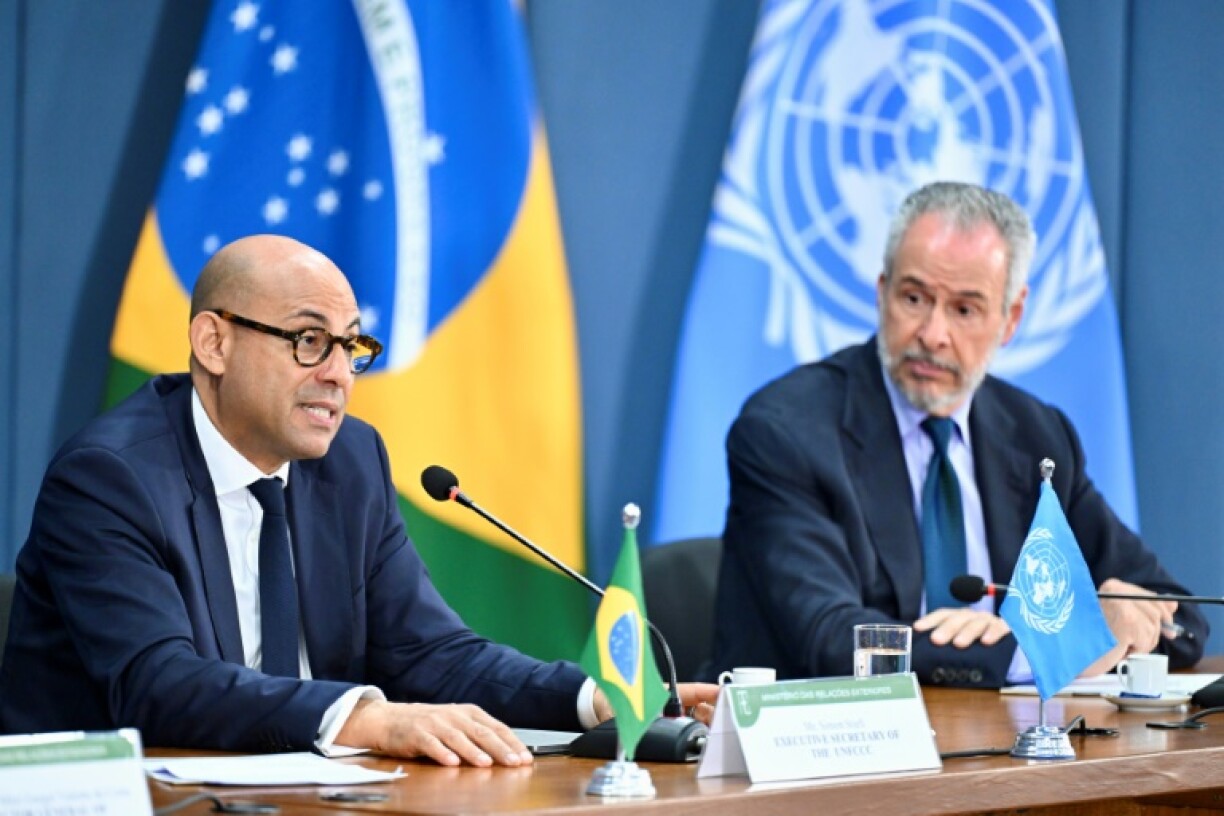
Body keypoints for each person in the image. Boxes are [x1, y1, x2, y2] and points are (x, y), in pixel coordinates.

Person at [0, 235, 716, 763]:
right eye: (310, 341)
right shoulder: (108, 478)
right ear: (213, 343)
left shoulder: (351, 461)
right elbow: (158, 684)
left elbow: (435, 654)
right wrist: (366, 716)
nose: (341, 375)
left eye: (352, 347)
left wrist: (601, 701)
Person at [709, 181, 1207, 686]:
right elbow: (835, 640)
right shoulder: (786, 431)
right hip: (825, 748)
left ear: (1010, 318)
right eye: (913, 298)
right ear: (882, 293)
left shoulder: (1038, 437)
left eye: (964, 309)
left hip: (1002, 749)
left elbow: (1178, 615)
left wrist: (1123, 622)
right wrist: (1057, 644)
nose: (932, 334)